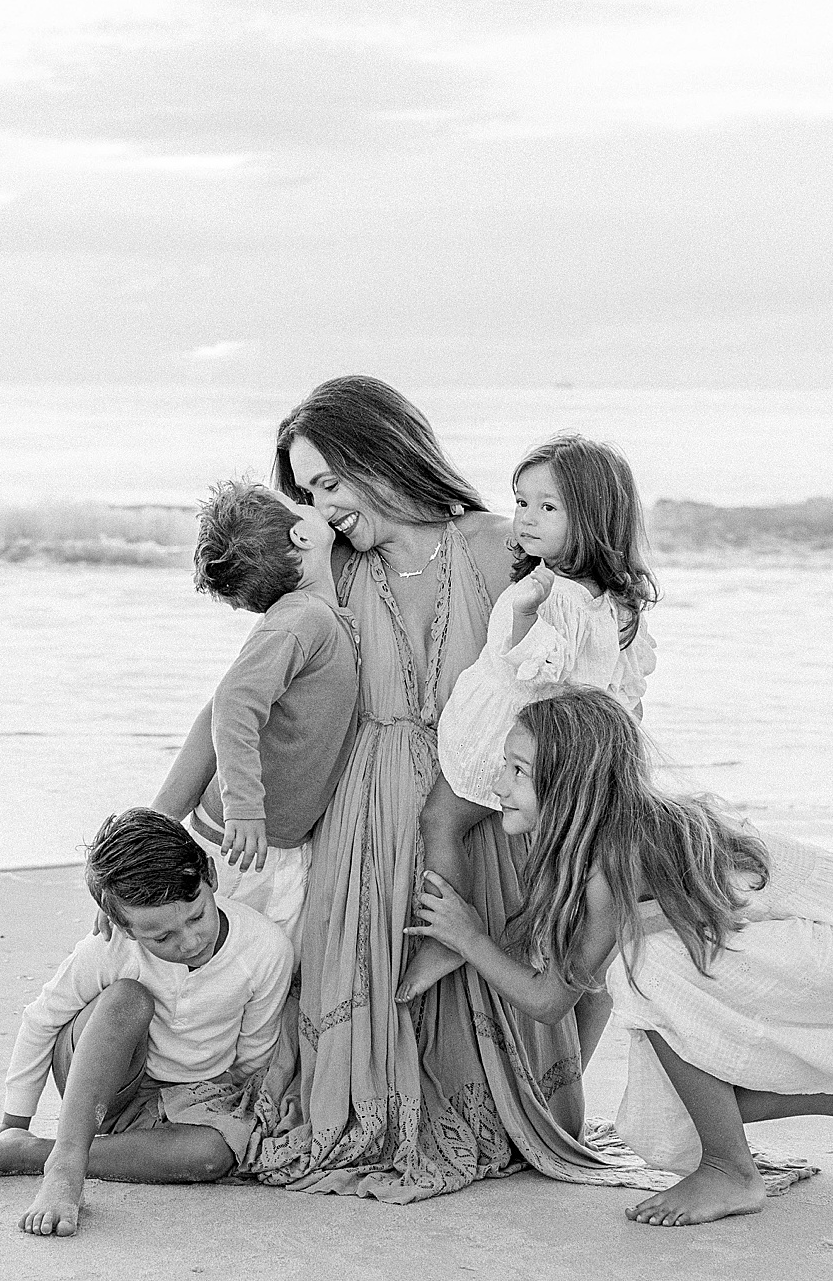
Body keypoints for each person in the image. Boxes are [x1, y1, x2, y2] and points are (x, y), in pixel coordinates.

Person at [233, 375, 669, 1201]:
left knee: (545, 1065)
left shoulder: (498, 547)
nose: (321, 508)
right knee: (372, 990)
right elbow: (251, 686)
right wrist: (188, 800)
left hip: (488, 801)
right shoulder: (328, 575)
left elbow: (588, 673)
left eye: (330, 482)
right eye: (307, 492)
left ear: (383, 453)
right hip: (361, 814)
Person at [406, 687, 833, 1227]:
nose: (499, 787)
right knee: (675, 1105)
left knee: (645, 972)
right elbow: (574, 969)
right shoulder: (615, 831)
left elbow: (549, 1001)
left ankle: (731, 1171)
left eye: (519, 771)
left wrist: (470, 939)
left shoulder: (614, 859)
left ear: (570, 786)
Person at [397, 434, 658, 1033]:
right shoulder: (614, 602)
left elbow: (531, 672)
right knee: (561, 879)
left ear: (593, 517)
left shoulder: (555, 597)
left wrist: (517, 618)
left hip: (517, 735)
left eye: (548, 507)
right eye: (521, 502)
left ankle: (446, 935)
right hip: (572, 752)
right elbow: (624, 694)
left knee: (441, 821)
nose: (526, 518)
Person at [0, 808, 294, 1237]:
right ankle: (64, 1169)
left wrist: (219, 1116)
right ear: (123, 923)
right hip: (105, 1085)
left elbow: (253, 1058)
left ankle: (32, 1154)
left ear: (209, 877)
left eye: (196, 916)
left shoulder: (266, 948)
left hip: (190, 1102)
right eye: (162, 938)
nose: (190, 941)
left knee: (214, 1155)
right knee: (127, 998)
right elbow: (42, 1020)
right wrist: (14, 1120)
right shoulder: (113, 947)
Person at [169, 478, 359, 943]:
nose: (311, 505)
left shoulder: (310, 618)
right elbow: (233, 704)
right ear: (302, 536)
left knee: (258, 969)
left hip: (271, 841)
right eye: (299, 502)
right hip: (242, 842)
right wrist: (246, 809)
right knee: (229, 967)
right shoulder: (304, 618)